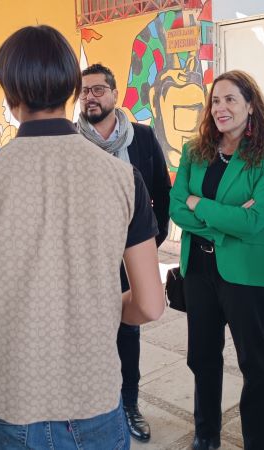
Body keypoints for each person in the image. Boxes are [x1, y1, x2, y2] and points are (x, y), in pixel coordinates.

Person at [0, 25, 165, 450]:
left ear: (9, 95)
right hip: (94, 392)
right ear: (71, 90)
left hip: (14, 395)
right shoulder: (124, 179)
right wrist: (101, 304)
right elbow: (150, 305)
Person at [169, 70, 264, 450]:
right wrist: (224, 219)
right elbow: (174, 208)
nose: (221, 108)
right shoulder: (193, 151)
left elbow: (254, 222)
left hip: (247, 274)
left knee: (253, 362)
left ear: (251, 106)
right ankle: (206, 435)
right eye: (215, 101)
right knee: (202, 357)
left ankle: (257, 442)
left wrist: (198, 204)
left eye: (230, 99)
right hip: (199, 271)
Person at [78, 63, 171, 443]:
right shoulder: (72, 141)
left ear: (115, 95)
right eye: (84, 91)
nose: (90, 97)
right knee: (85, 336)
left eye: (98, 89)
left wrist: (151, 244)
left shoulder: (143, 139)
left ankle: (129, 404)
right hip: (85, 262)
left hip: (129, 260)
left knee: (127, 335)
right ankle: (90, 409)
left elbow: (162, 195)